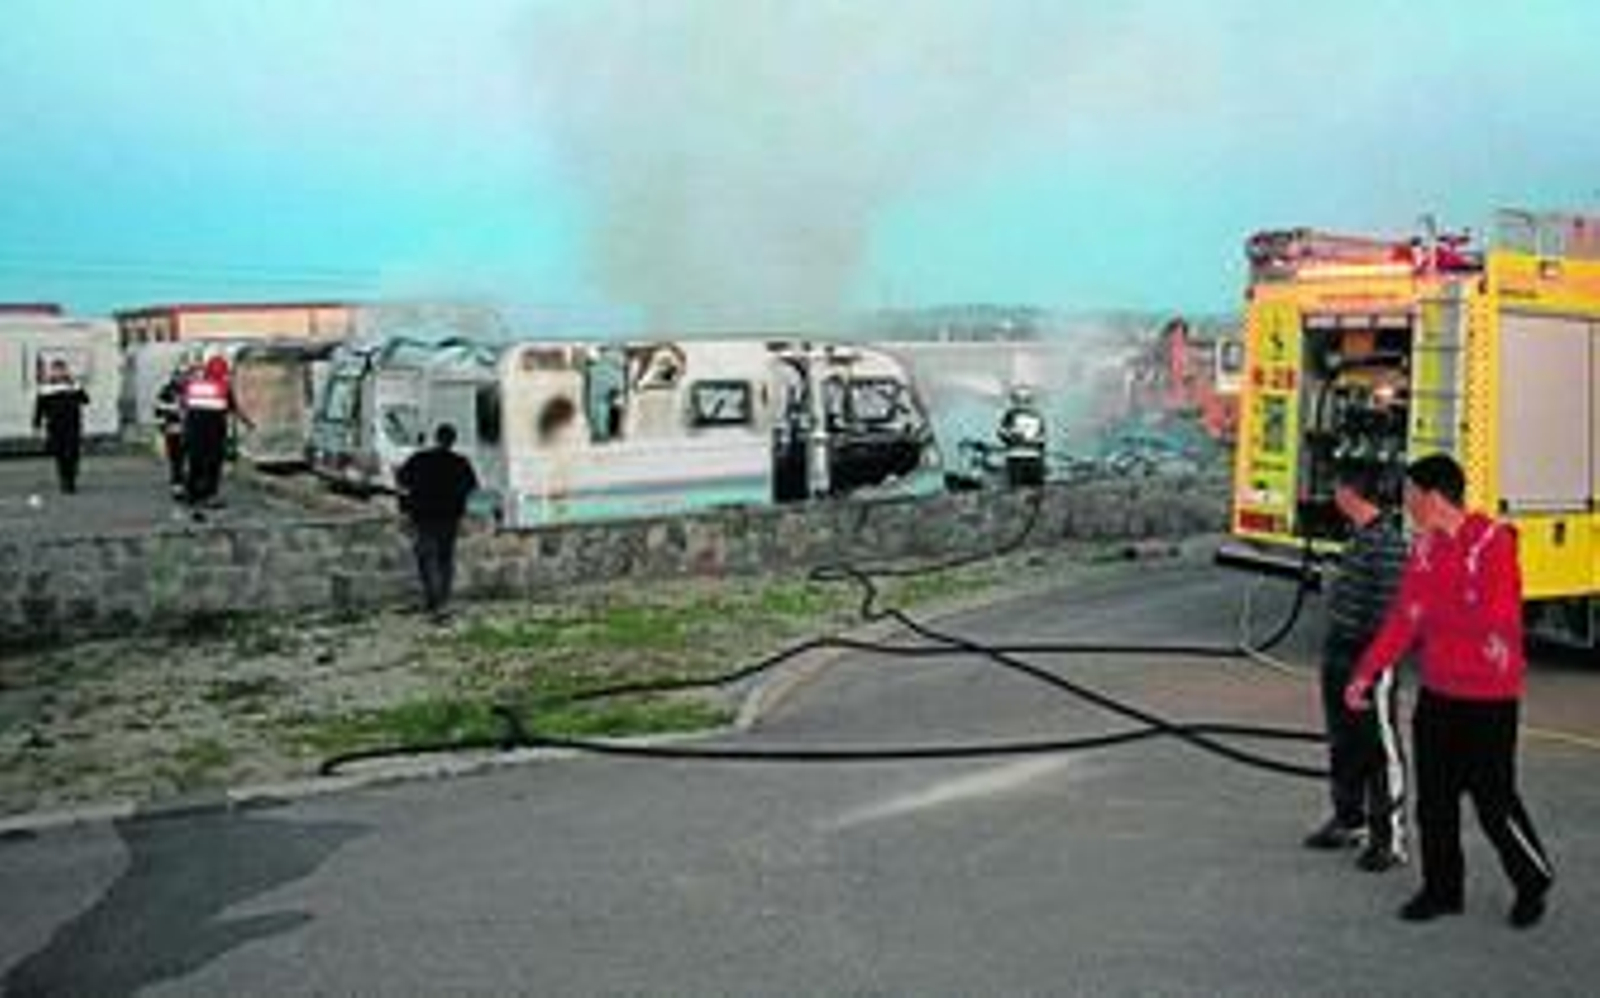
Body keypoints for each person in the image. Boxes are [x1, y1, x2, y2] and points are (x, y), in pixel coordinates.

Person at [1345, 453, 1554, 928]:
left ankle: (1532, 881)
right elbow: (1404, 619)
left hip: (1488, 700)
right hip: (1438, 694)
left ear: (1433, 496)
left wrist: (1438, 610)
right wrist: (1366, 672)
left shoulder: (1494, 542)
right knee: (1434, 802)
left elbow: (1493, 620)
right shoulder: (1424, 549)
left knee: (1494, 805)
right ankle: (1442, 890)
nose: (1407, 504)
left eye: (1412, 495)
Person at [1303, 464, 1409, 873]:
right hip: (1340, 653)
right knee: (1343, 742)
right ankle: (1350, 821)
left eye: (1335, 487)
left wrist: (1370, 671)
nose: (1331, 495)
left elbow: (1390, 615)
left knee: (1378, 750)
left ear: (1350, 493)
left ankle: (1389, 839)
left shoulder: (1386, 543)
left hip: (1367, 659)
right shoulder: (1360, 538)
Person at [396, 423, 479, 621]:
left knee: (426, 557)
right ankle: (443, 599)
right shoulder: (461, 463)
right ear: (453, 440)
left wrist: (408, 503)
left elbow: (401, 479)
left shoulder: (420, 459)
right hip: (450, 517)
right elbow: (472, 487)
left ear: (436, 437)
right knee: (445, 558)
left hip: (423, 516)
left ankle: (434, 600)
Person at [182, 355, 251, 516]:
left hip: (193, 434)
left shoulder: (193, 386)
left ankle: (192, 495)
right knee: (212, 465)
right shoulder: (223, 387)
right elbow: (235, 409)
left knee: (195, 463)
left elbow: (184, 405)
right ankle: (209, 496)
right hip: (214, 435)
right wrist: (248, 423)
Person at [32, 359, 90, 494]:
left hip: (72, 425)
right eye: (56, 370)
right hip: (55, 426)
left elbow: (86, 400)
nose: (59, 373)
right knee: (60, 454)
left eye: (61, 370)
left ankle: (71, 477)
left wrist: (77, 388)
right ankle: (65, 480)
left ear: (65, 370)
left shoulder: (73, 385)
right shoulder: (46, 388)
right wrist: (36, 424)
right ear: (52, 372)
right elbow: (39, 408)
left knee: (72, 453)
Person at [154, 359, 193, 498]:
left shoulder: (191, 390)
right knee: (176, 460)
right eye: (181, 375)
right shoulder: (166, 391)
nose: (183, 378)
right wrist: (162, 428)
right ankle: (177, 486)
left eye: (186, 375)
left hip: (188, 432)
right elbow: (159, 411)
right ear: (175, 376)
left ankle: (187, 485)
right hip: (173, 431)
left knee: (189, 460)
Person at [997, 385, 1047, 487]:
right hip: (1016, 457)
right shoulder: (1010, 415)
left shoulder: (1037, 416)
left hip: (1034, 458)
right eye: (1019, 399)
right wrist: (1014, 436)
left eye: (1026, 399)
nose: (1022, 402)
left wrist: (1035, 441)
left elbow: (1043, 438)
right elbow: (1001, 433)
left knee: (1036, 491)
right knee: (1017, 490)